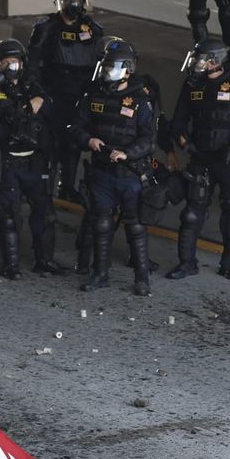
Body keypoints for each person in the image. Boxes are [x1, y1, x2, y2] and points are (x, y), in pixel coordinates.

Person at [166, 38, 230, 280]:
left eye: (202, 58)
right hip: (201, 158)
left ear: (215, 60)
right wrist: (186, 146)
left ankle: (229, 265)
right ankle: (187, 263)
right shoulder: (192, 85)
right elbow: (178, 123)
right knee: (191, 213)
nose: (197, 62)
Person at [0, 38, 66, 278]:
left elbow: (53, 116)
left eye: (14, 61)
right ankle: (11, 265)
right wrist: (10, 132)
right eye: (6, 61)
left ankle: (44, 260)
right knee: (9, 215)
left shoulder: (33, 87)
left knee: (45, 213)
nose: (11, 65)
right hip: (6, 161)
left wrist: (40, 103)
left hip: (34, 160)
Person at [70, 44, 155, 296]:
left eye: (112, 68)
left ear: (126, 71)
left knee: (135, 227)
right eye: (105, 67)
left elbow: (149, 138)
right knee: (101, 224)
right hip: (102, 172)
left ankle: (142, 278)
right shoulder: (94, 95)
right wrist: (88, 140)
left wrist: (128, 153)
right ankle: (101, 274)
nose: (107, 72)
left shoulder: (140, 99)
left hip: (129, 173)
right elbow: (75, 126)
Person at [28, 0, 103, 203]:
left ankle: (67, 186)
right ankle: (45, 187)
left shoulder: (93, 29)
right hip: (54, 92)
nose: (73, 4)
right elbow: (33, 62)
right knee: (50, 141)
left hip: (82, 94)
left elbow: (102, 59)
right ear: (58, 2)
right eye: (67, 0)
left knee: (73, 142)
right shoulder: (46, 28)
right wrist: (36, 89)